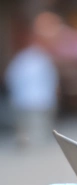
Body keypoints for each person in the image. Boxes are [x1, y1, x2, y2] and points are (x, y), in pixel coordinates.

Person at [5, 13, 61, 149]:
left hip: (23, 103)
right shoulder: (37, 58)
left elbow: (9, 78)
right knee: (37, 141)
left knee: (30, 138)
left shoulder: (24, 58)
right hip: (37, 104)